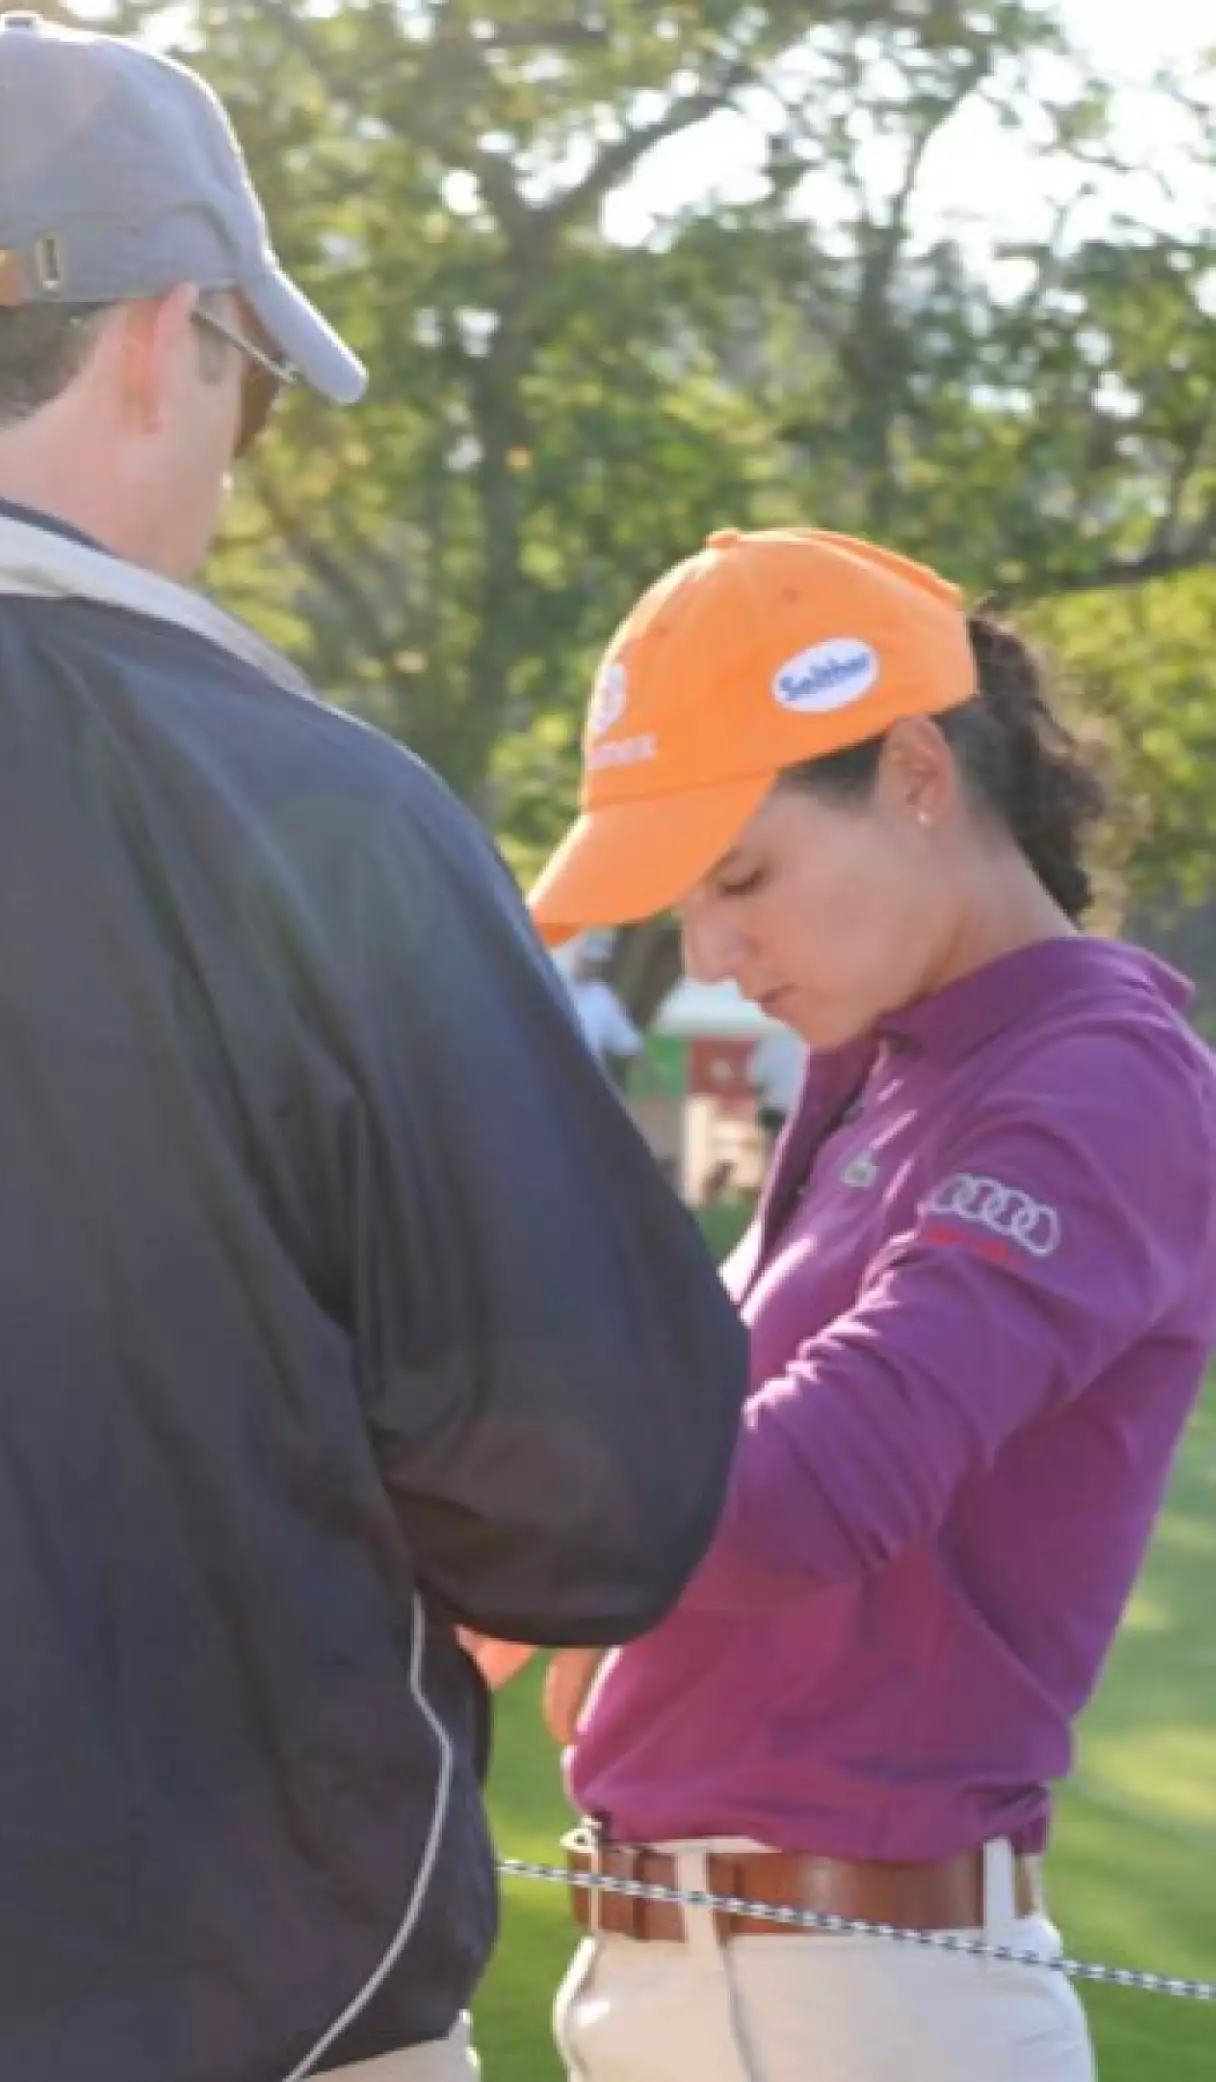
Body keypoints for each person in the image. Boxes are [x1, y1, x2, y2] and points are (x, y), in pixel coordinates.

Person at [0, 20, 748, 2082]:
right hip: (221, 2010)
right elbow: (600, 1497)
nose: (230, 452)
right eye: (240, 380)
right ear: (163, 336)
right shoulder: (306, 815)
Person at [519, 525, 1216, 2082]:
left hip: (855, 2009)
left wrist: (555, 1541)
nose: (709, 949)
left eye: (743, 874)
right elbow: (687, 1445)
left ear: (915, 771)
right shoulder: (879, 1067)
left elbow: (792, 1501)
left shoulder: (1094, 1082)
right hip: (715, 1986)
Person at [561, 930, 645, 1079]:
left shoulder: (602, 997)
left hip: (585, 1076)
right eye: (587, 958)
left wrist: (657, 1082)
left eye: (596, 962)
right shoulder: (552, 981)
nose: (591, 965)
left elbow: (628, 1042)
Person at [747, 1022, 805, 1147]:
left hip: (777, 1111)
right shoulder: (816, 1035)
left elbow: (757, 1076)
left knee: (777, 1150)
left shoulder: (772, 1038)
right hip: (806, 1110)